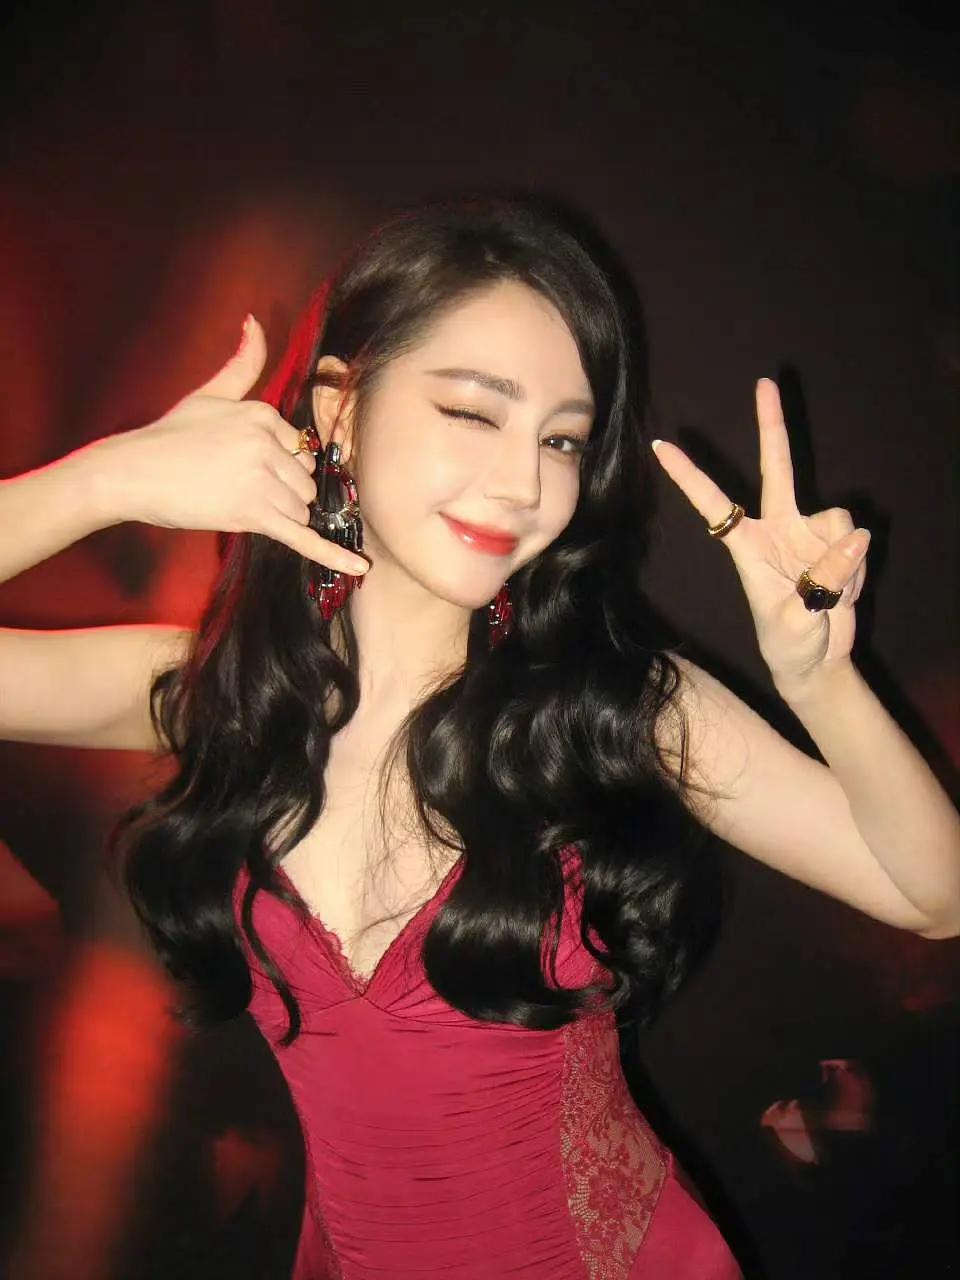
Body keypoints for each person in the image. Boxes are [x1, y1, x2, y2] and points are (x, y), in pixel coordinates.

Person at [1, 197, 957, 1280]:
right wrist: (103, 481)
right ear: (340, 409)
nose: (523, 483)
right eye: (472, 412)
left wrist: (821, 680)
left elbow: (934, 895)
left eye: (561, 438)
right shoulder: (218, 694)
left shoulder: (613, 704)